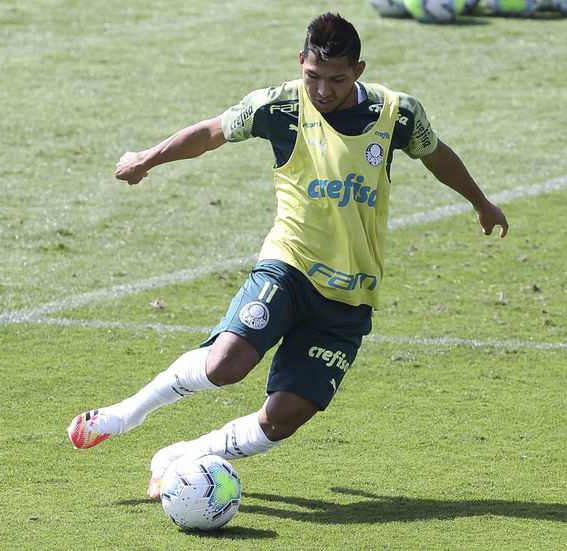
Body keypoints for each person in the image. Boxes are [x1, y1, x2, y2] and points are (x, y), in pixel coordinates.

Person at [67, 12, 509, 498]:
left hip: (351, 293)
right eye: (313, 76)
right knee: (225, 365)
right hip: (290, 264)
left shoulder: (396, 113)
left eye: (337, 79)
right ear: (302, 62)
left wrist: (481, 202)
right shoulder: (280, 106)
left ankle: (185, 456)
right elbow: (211, 132)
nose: (323, 89)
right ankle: (124, 414)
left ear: (358, 70)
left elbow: (436, 153)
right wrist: (146, 159)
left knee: (282, 419)